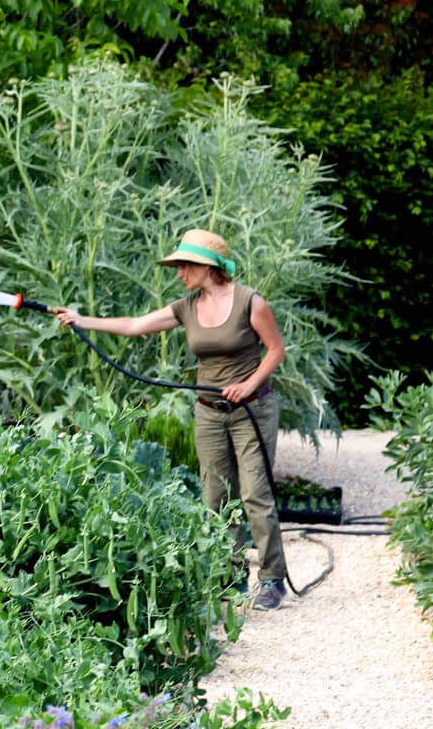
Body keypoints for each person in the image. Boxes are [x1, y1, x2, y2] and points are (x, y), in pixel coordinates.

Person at [51, 228, 289, 610]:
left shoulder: (250, 303)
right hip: (209, 413)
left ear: (206, 266)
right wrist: (82, 320)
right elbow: (133, 325)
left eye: (184, 266)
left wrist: (248, 385)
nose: (179, 273)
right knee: (216, 496)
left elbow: (275, 351)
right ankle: (229, 578)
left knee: (254, 493)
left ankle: (273, 579)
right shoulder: (186, 307)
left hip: (252, 410)